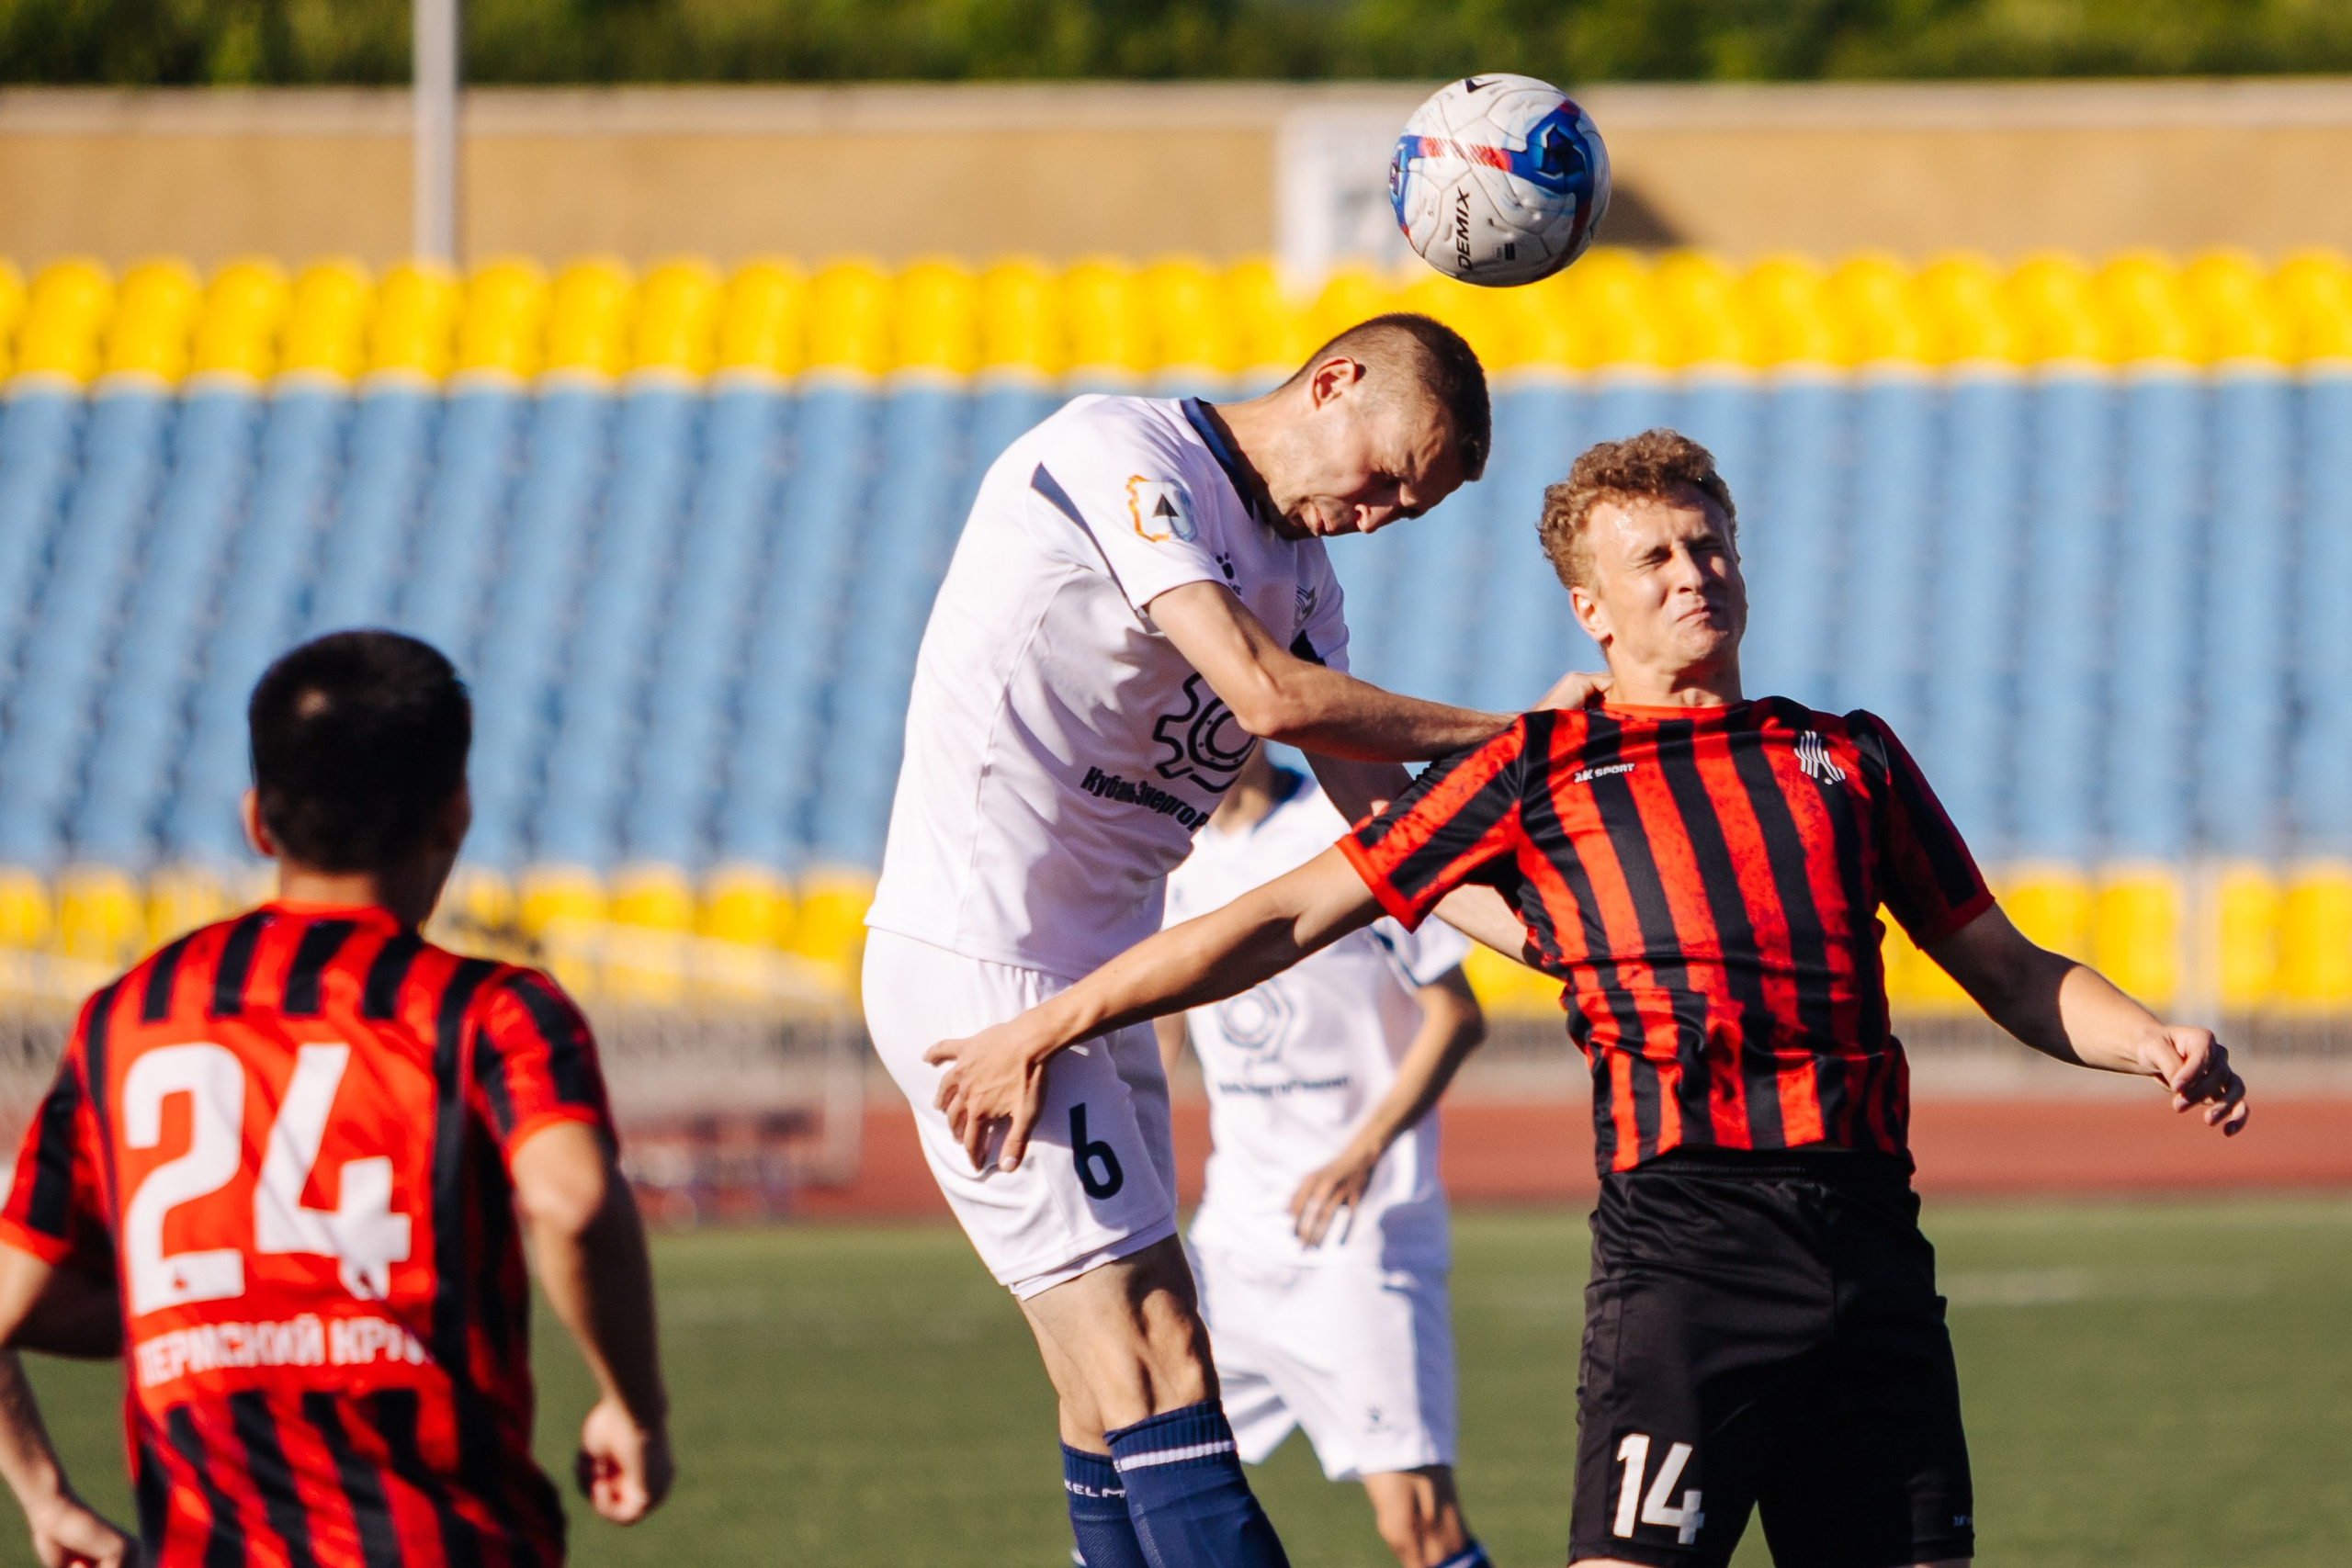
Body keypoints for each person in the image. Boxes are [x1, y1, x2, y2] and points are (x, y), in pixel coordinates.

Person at [926, 428, 2251, 1568]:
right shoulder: (1540, 769)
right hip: (1686, 1254)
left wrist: (2150, 1039)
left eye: (1709, 544)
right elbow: (1279, 914)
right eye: (1657, 559)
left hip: (1872, 1243)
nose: (1695, 573)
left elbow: (2011, 968)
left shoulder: (1845, 752)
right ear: (1592, 609)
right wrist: (1049, 1020)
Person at [865, 311, 1589, 1568]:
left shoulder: (1305, 579)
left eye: (1401, 513)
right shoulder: (1126, 451)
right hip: (983, 971)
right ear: (1335, 382)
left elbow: (1392, 843)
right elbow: (1266, 694)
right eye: (1381, 480)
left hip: (1103, 991)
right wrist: (1523, 736)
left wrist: (1583, 945)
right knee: (1163, 1354)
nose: (1372, 516)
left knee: (1108, 1390)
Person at [0, 629, 672, 1567]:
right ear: (455, 812)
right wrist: (635, 1408)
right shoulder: (492, 1013)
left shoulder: (127, 1019)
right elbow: (575, 1202)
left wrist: (45, 1495)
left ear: (256, 822)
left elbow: (9, 1299)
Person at [1157, 747, 1493, 1568]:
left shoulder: (1345, 822)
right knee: (1146, 1478)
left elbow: (1456, 1013)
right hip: (1231, 1237)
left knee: (1416, 1524)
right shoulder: (1170, 853)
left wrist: (1363, 1150)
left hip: (1356, 1238)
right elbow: (1162, 1026)